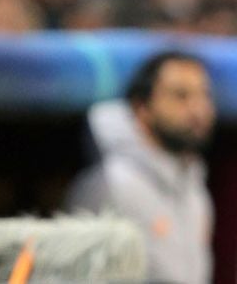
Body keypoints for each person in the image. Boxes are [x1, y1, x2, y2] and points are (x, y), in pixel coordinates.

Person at [67, 51, 216, 284]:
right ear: (142, 108)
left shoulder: (195, 187)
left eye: (204, 95)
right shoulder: (109, 183)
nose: (198, 109)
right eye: (181, 96)